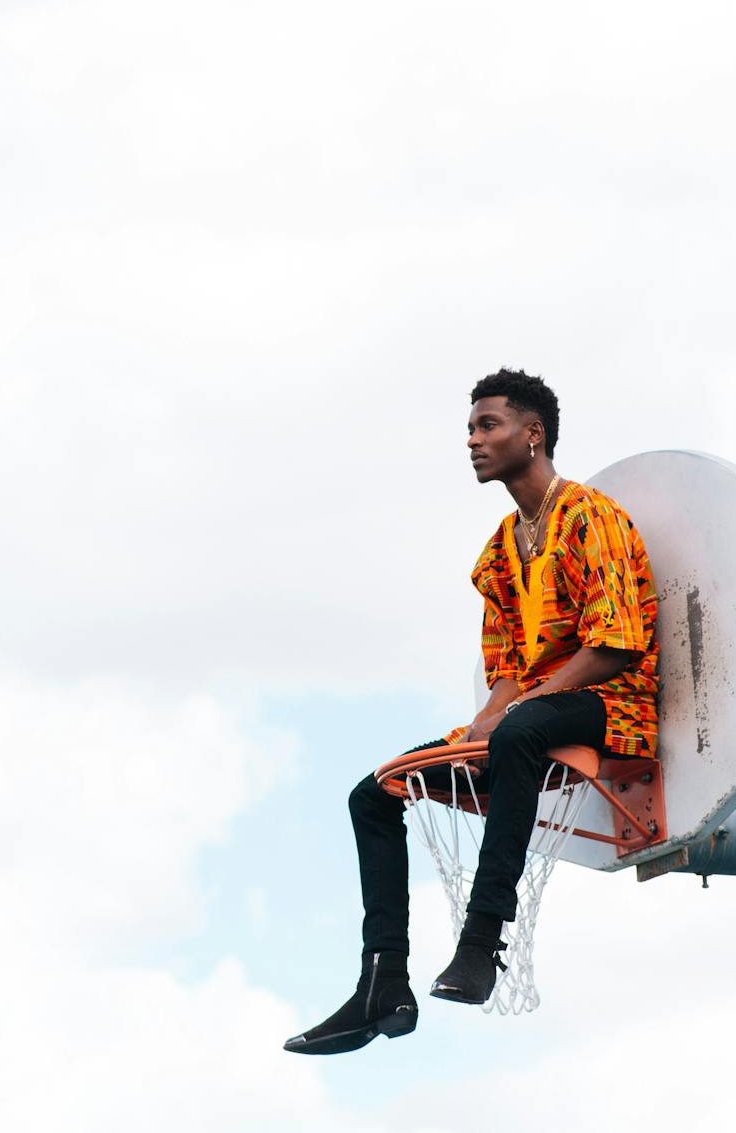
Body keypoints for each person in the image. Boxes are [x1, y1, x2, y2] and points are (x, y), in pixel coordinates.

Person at [284, 367, 659, 1055]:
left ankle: (482, 941)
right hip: (535, 713)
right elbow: (510, 671)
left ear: (533, 434)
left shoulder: (590, 516)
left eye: (488, 425)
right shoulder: (500, 550)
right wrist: (483, 724)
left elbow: (616, 644)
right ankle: (382, 982)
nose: (473, 440)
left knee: (515, 732)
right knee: (375, 791)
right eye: (470, 428)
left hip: (614, 704)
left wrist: (517, 712)